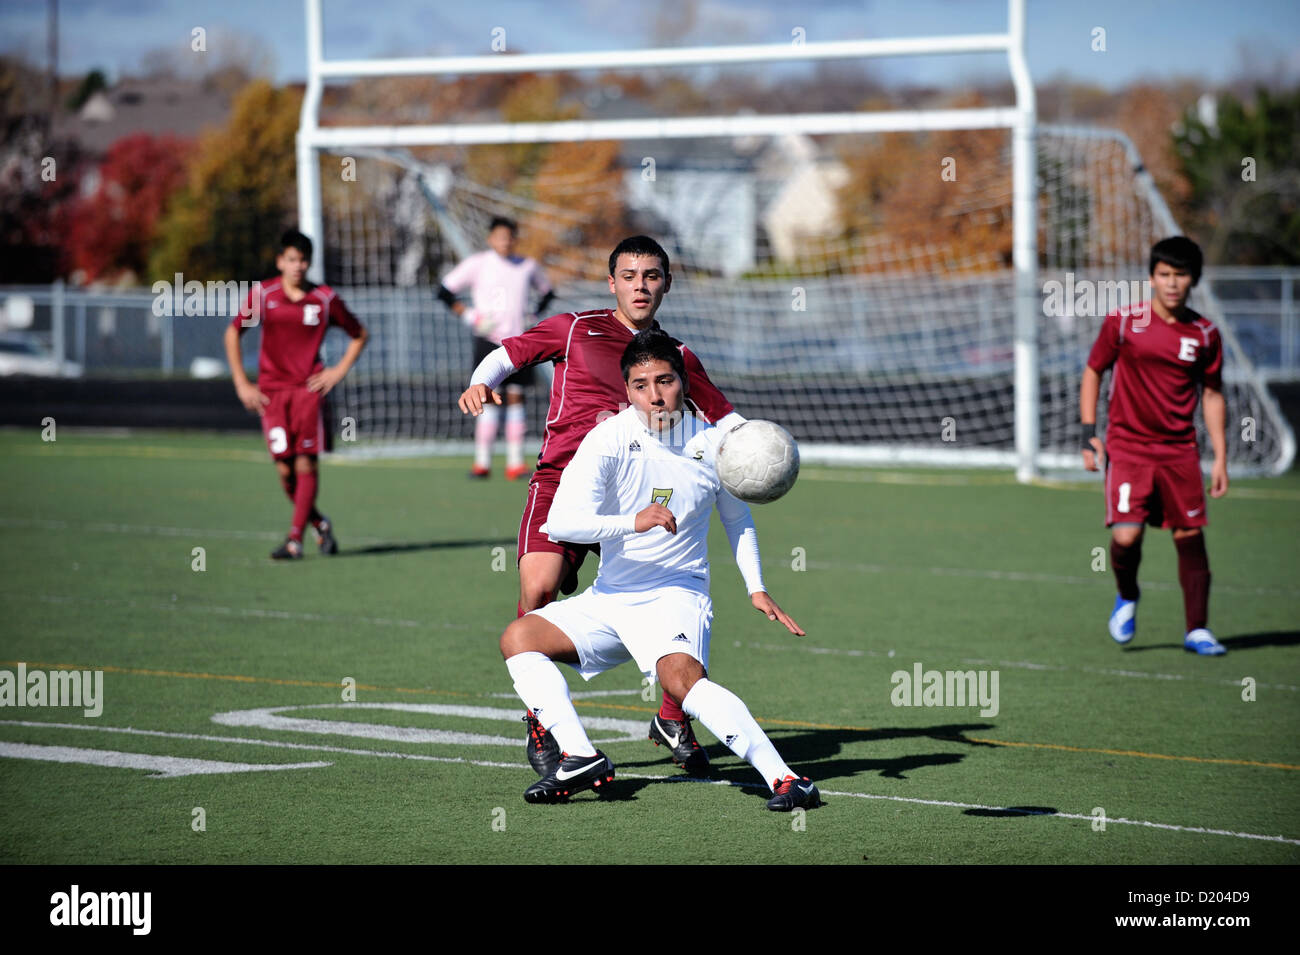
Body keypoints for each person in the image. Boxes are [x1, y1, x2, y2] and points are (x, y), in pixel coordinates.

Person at [458, 236, 745, 778]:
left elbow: (726, 421)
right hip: (564, 485)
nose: (641, 284)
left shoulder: (677, 357)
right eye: (630, 275)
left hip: (642, 500)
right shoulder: (574, 327)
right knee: (538, 589)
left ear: (666, 283)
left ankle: (670, 716)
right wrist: (481, 381)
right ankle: (543, 720)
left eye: (652, 275)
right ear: (611, 282)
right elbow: (511, 352)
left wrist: (759, 450)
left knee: (673, 603)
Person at [498, 329, 818, 811]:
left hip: (676, 594)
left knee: (681, 681)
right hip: (611, 598)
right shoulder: (606, 438)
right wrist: (633, 522)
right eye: (641, 384)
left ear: (683, 382)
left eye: (665, 380)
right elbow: (560, 521)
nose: (655, 395)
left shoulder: (714, 445)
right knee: (518, 638)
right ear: (626, 390)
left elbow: (738, 518)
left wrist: (757, 587)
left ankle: (790, 781)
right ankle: (581, 756)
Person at [1080, 236, 1228, 655]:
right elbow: (1093, 371)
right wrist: (1088, 431)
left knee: (1190, 534)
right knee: (1126, 537)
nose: (1171, 283)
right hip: (1127, 448)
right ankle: (1127, 595)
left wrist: (1220, 456)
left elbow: (1213, 395)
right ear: (1151, 277)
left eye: (1180, 275)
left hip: (1180, 451)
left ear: (1193, 280)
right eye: (1164, 274)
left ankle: (1197, 629)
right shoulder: (1124, 323)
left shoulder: (1205, 334)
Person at [224, 229, 369, 560]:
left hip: (308, 393)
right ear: (280, 262)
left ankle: (294, 540)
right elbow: (233, 334)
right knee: (284, 471)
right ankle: (319, 523)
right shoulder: (263, 294)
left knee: (305, 463)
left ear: (309, 262)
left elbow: (359, 334)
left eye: (303, 260)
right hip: (272, 395)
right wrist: (242, 384)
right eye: (291, 259)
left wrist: (337, 371)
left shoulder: (325, 299)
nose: (298, 266)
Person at [438, 216, 555, 481]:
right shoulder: (477, 264)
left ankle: (515, 463)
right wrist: (470, 316)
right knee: (486, 397)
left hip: (520, 341)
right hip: (488, 339)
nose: (505, 241)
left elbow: (547, 292)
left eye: (510, 236)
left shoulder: (527, 266)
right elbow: (445, 291)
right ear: (491, 239)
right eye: (500, 236)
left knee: (516, 397)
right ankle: (482, 462)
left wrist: (533, 313)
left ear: (515, 239)